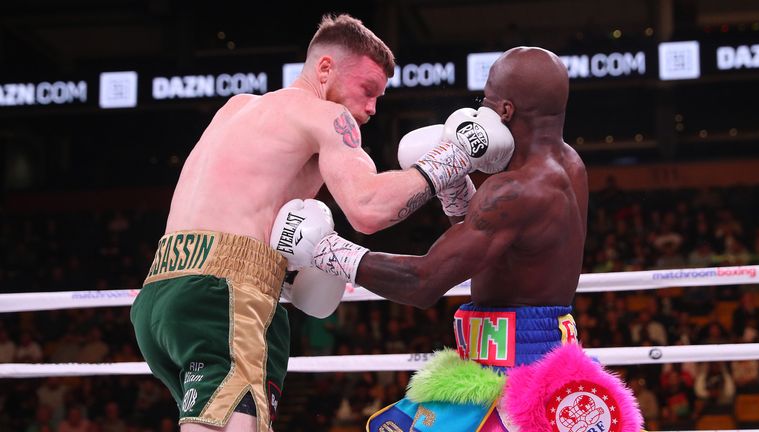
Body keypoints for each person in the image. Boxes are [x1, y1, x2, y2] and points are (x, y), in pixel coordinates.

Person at [130, 13, 514, 432]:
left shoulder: (236, 108)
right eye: (368, 91)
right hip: (225, 293)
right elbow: (367, 209)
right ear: (325, 67)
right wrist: (451, 159)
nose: (371, 108)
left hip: (160, 296)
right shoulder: (326, 117)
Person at [274, 47, 642, 431]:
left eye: (485, 100)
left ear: (505, 112)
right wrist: (453, 187)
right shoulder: (568, 164)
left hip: (514, 378)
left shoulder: (515, 190)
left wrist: (326, 250)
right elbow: (499, 245)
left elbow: (422, 283)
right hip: (529, 357)